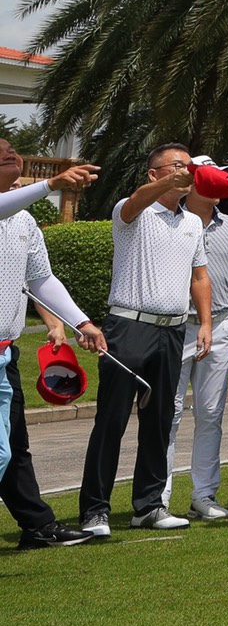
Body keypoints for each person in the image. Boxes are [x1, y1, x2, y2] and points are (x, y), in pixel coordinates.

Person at [79, 143, 211, 538]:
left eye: (188, 166)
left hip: (173, 330)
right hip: (128, 327)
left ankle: (149, 505)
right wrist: (169, 182)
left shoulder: (193, 222)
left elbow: (199, 276)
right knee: (112, 420)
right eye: (176, 166)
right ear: (154, 174)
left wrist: (205, 323)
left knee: (159, 422)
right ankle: (95, 511)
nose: (185, 172)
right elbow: (136, 200)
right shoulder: (131, 210)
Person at [1, 154, 103, 549]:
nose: (11, 155)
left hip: (4, 355)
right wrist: (51, 185)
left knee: (12, 446)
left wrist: (81, 322)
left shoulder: (25, 222)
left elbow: (41, 280)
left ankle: (37, 526)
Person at [167, 163, 228, 518]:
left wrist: (214, 309)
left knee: (210, 414)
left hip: (220, 325)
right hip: (176, 326)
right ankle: (158, 498)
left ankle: (204, 496)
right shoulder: (170, 220)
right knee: (170, 414)